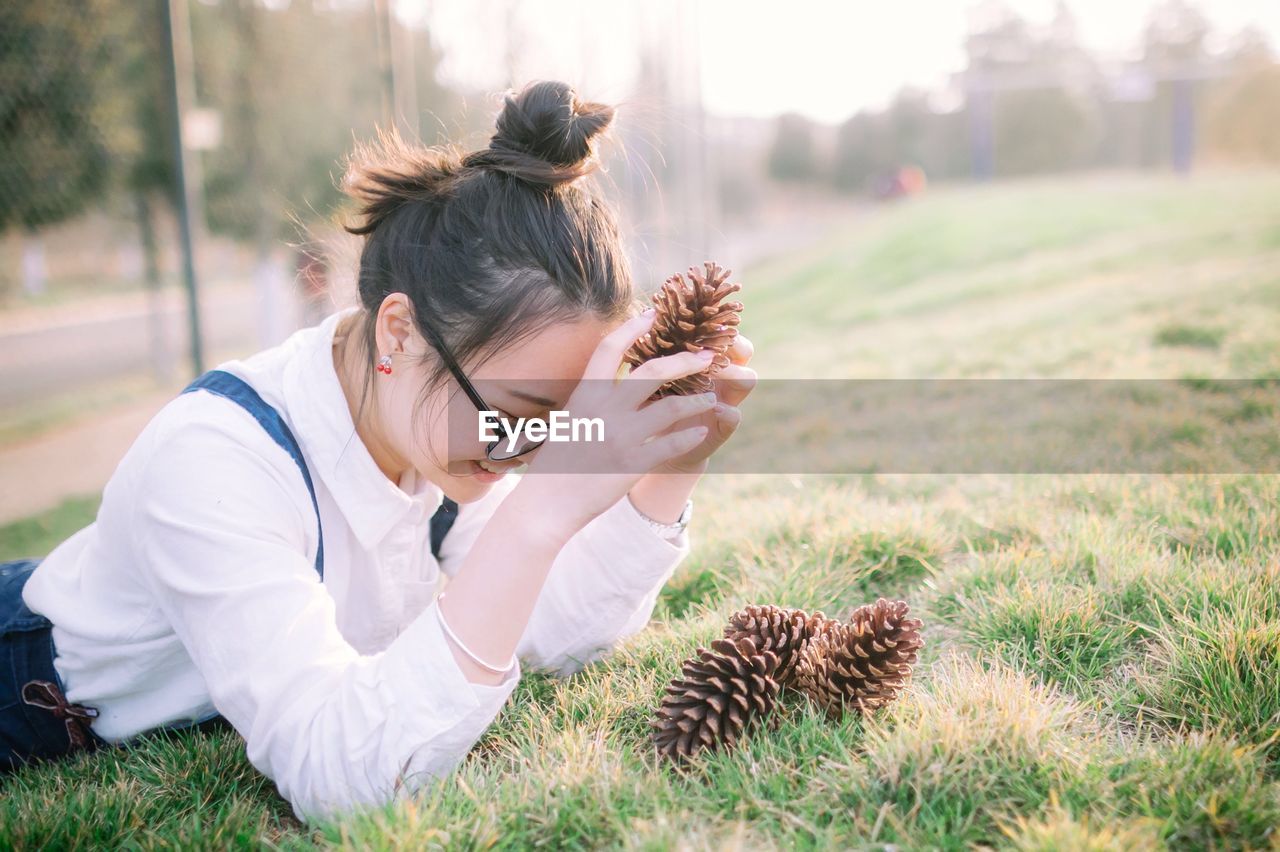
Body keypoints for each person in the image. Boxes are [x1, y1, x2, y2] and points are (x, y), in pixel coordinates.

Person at [0, 81, 756, 823]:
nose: (530, 453)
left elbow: (539, 637)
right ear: (399, 332)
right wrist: (540, 513)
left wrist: (671, 467)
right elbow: (338, 776)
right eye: (521, 416)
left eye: (561, 422)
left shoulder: (436, 431)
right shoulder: (213, 461)